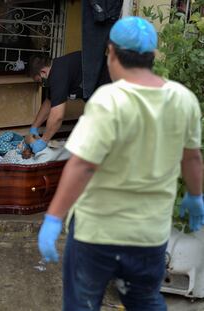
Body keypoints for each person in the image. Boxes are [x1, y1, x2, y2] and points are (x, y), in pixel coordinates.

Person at [38, 16, 203, 311]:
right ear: (152, 56)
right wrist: (195, 196)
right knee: (145, 301)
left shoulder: (108, 100)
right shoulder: (183, 100)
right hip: (149, 235)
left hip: (98, 234)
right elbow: (191, 157)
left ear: (111, 52)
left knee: (82, 304)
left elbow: (81, 165)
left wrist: (53, 217)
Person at [27, 51, 110, 154]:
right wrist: (34, 127)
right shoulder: (57, 68)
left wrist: (43, 141)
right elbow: (49, 102)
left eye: (39, 81)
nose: (41, 85)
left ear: (43, 72)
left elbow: (57, 116)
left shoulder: (58, 75)